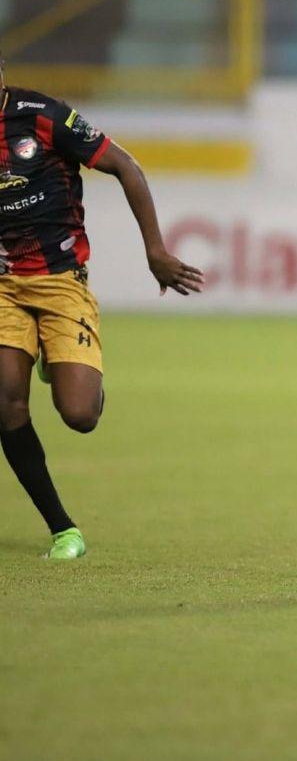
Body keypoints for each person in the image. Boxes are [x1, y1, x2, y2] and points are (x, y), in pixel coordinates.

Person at [0, 60, 204, 559]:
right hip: (3, 287)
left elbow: (125, 166)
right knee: (5, 401)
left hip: (61, 282)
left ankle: (61, 355)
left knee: (80, 414)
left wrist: (155, 252)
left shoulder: (41, 115)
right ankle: (63, 529)